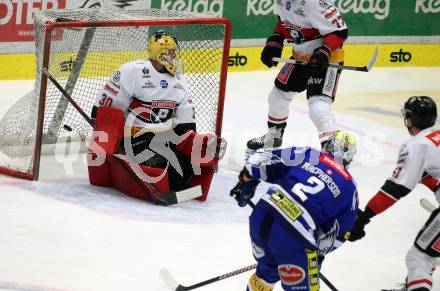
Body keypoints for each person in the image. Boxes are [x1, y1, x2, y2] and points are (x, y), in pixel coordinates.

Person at [88, 30, 225, 203]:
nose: (174, 55)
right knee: (164, 170)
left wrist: (191, 145)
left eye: (175, 51)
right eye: (170, 50)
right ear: (158, 52)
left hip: (164, 139)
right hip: (134, 139)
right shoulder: (133, 71)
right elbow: (103, 111)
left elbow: (185, 119)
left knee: (187, 169)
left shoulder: (178, 76)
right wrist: (109, 144)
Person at [230, 131, 359, 291]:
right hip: (296, 235)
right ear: (351, 157)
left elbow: (257, 160)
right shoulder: (350, 189)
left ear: (327, 145)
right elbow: (338, 235)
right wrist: (315, 255)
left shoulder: (308, 154)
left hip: (261, 216)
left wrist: (245, 182)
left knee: (267, 273)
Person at [348, 96, 440, 291]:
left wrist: (364, 217)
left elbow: (395, 189)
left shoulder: (417, 144)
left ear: (409, 119)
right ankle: (411, 286)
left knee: (419, 258)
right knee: (428, 252)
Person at [247, 0, 348, 151]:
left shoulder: (313, 3)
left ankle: (332, 149)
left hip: (325, 61)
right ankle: (274, 136)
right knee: (277, 97)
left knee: (318, 106)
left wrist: (323, 52)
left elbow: (340, 31)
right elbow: (285, 21)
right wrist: (275, 41)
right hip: (299, 58)